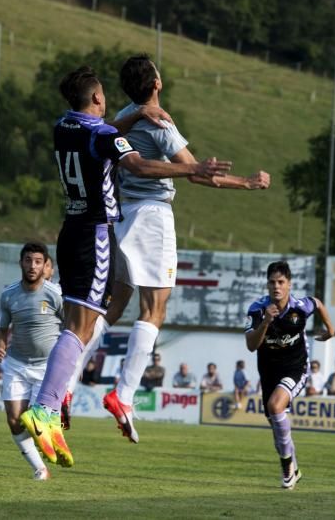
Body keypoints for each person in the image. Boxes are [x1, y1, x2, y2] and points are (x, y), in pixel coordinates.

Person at [20, 64, 231, 468]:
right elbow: (136, 165)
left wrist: (135, 115)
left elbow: (111, 127)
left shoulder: (63, 125)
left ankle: (49, 410)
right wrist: (193, 168)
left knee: (81, 324)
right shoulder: (103, 135)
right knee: (82, 328)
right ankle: (45, 408)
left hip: (69, 230)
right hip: (96, 234)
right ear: (97, 99)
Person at [101, 56, 269, 445]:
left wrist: (139, 108)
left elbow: (107, 133)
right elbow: (196, 171)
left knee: (115, 305)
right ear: (156, 82)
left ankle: (67, 383)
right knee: (155, 309)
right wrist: (247, 182)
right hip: (152, 215)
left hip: (124, 215)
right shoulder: (160, 122)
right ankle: (123, 395)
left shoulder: (127, 113)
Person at [245, 261, 335, 489]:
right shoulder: (256, 310)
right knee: (276, 427)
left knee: (276, 406)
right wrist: (266, 321)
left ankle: (286, 466)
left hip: (295, 368)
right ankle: (294, 467)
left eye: (281, 282)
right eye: (272, 282)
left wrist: (330, 330)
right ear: (267, 285)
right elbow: (251, 345)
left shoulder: (300, 307)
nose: (277, 286)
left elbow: (318, 304)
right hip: (268, 371)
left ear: (289, 284)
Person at [0, 242, 65, 481]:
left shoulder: (55, 294)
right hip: (16, 364)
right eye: (28, 260)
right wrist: (0, 345)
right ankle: (40, 468)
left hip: (47, 366)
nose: (32, 266)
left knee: (36, 420)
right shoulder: (8, 294)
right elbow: (1, 326)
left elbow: (73, 329)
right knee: (14, 420)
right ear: (21, 263)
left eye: (37, 261)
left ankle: (52, 440)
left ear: (45, 265)